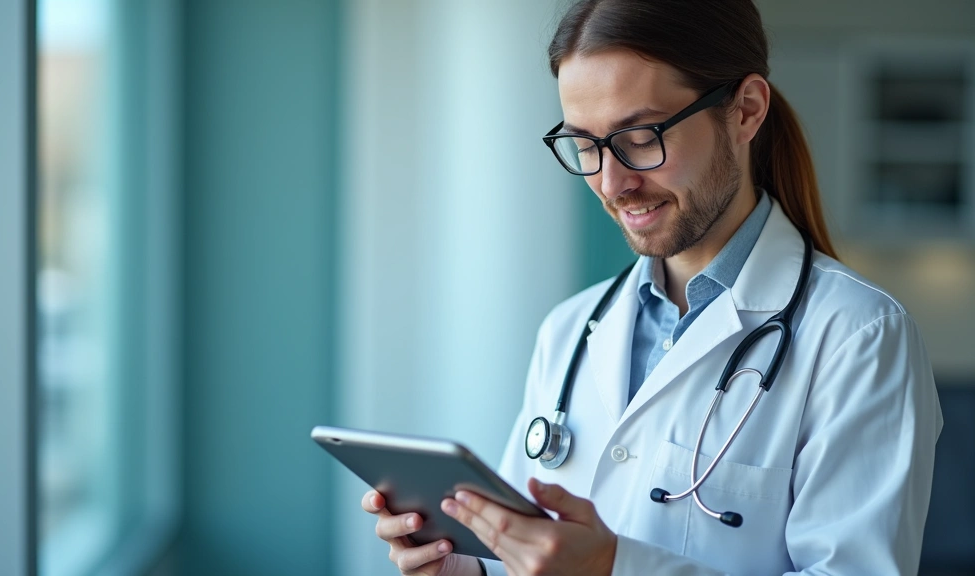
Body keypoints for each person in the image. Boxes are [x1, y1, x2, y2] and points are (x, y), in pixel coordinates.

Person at [362, 0, 944, 574]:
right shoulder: (570, 330)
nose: (612, 183)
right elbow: (530, 552)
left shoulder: (859, 337)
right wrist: (460, 569)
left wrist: (616, 567)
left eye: (640, 136)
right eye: (585, 145)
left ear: (744, 111)